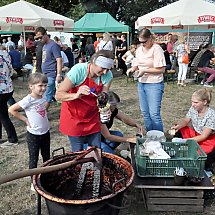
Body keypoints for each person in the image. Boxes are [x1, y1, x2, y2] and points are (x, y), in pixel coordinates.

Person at [55, 50, 114, 152]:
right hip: (74, 117)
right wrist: (76, 95)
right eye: (103, 68)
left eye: (108, 69)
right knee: (78, 153)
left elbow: (104, 94)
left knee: (96, 151)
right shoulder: (78, 71)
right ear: (93, 62)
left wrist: (105, 104)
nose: (105, 72)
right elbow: (58, 95)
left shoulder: (107, 75)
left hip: (92, 117)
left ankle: (96, 168)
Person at [9, 73, 50, 191]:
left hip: (45, 132)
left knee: (47, 157)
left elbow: (43, 108)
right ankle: (34, 182)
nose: (43, 88)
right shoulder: (28, 99)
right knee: (34, 158)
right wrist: (25, 119)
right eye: (40, 85)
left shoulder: (43, 96)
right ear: (31, 86)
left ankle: (47, 177)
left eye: (45, 85)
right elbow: (12, 109)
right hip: (34, 135)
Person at [127, 28, 166, 132]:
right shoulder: (139, 49)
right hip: (142, 83)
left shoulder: (156, 49)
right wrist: (132, 69)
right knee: (145, 113)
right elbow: (136, 63)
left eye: (144, 42)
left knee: (154, 114)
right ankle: (150, 136)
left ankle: (159, 138)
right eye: (140, 42)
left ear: (150, 38)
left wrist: (145, 70)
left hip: (154, 83)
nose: (142, 44)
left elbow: (161, 69)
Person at [171, 88, 215, 170]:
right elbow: (186, 120)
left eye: (196, 102)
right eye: (192, 101)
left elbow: (204, 136)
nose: (192, 104)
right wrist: (179, 125)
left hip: (207, 139)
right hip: (196, 133)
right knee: (182, 129)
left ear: (205, 102)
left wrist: (186, 141)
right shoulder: (193, 109)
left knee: (201, 154)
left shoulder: (211, 115)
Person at [35, 26, 62, 109]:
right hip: (45, 73)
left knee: (48, 95)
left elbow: (59, 60)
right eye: (37, 38)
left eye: (40, 37)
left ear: (45, 34)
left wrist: (58, 74)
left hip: (51, 73)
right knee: (43, 93)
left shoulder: (53, 45)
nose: (39, 39)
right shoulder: (45, 45)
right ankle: (42, 111)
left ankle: (42, 113)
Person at [0, 48, 18, 148]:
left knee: (3, 116)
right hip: (8, 88)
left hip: (1, 90)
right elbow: (11, 71)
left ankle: (13, 139)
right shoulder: (5, 53)